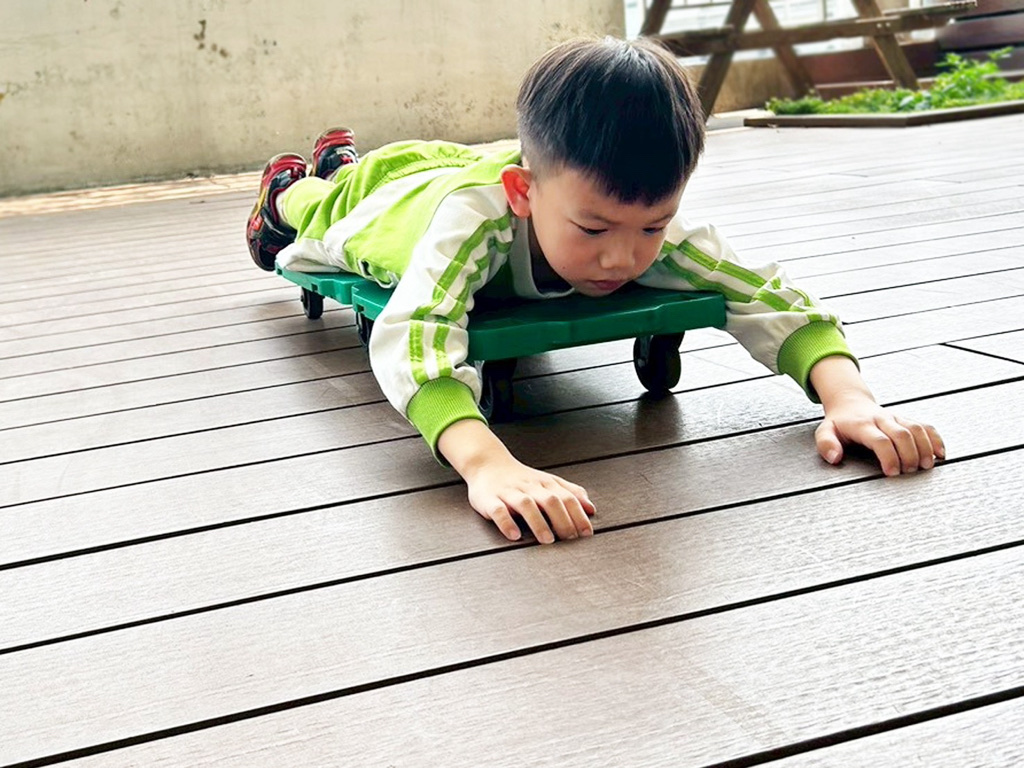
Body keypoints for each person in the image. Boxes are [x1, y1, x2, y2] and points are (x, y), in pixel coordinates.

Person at [245, 36, 944, 545]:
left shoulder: (623, 213)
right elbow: (416, 330)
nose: (622, 256)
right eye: (594, 228)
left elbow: (770, 295)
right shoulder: (474, 222)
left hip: (483, 161)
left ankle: (340, 159)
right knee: (322, 208)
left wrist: (849, 398)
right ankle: (299, 182)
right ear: (524, 194)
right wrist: (484, 462)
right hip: (402, 196)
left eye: (653, 226)